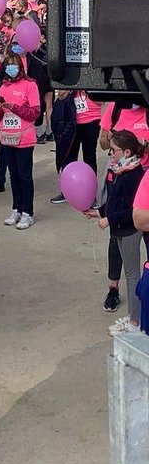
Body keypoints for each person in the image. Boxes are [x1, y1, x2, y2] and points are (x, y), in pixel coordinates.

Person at [87, 130, 146, 325]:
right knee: (129, 273)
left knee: (131, 274)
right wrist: (99, 212)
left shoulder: (134, 175)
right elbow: (114, 202)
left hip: (129, 229)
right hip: (119, 227)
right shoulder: (120, 171)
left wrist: (108, 219)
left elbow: (131, 210)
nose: (111, 154)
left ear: (127, 152)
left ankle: (135, 320)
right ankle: (133, 317)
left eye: (114, 150)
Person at [0, 52, 41, 230]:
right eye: (8, 65)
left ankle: (28, 212)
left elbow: (34, 112)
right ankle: (17, 208)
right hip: (7, 138)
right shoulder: (3, 88)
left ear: (20, 67)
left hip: (24, 138)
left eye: (14, 65)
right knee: (13, 175)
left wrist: (14, 107)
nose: (11, 68)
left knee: (25, 176)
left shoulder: (30, 85)